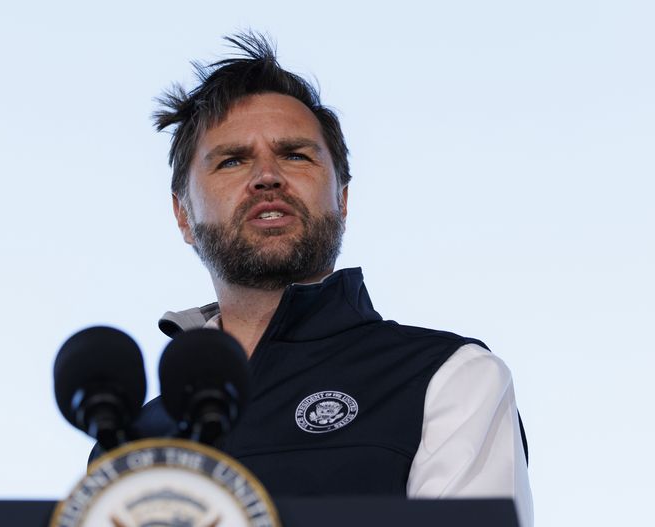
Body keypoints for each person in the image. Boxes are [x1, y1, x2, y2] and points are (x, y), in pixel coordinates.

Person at [134, 32, 532, 526]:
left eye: (295, 155)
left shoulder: (447, 377)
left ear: (342, 199)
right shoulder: (134, 439)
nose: (266, 176)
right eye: (232, 160)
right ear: (183, 215)